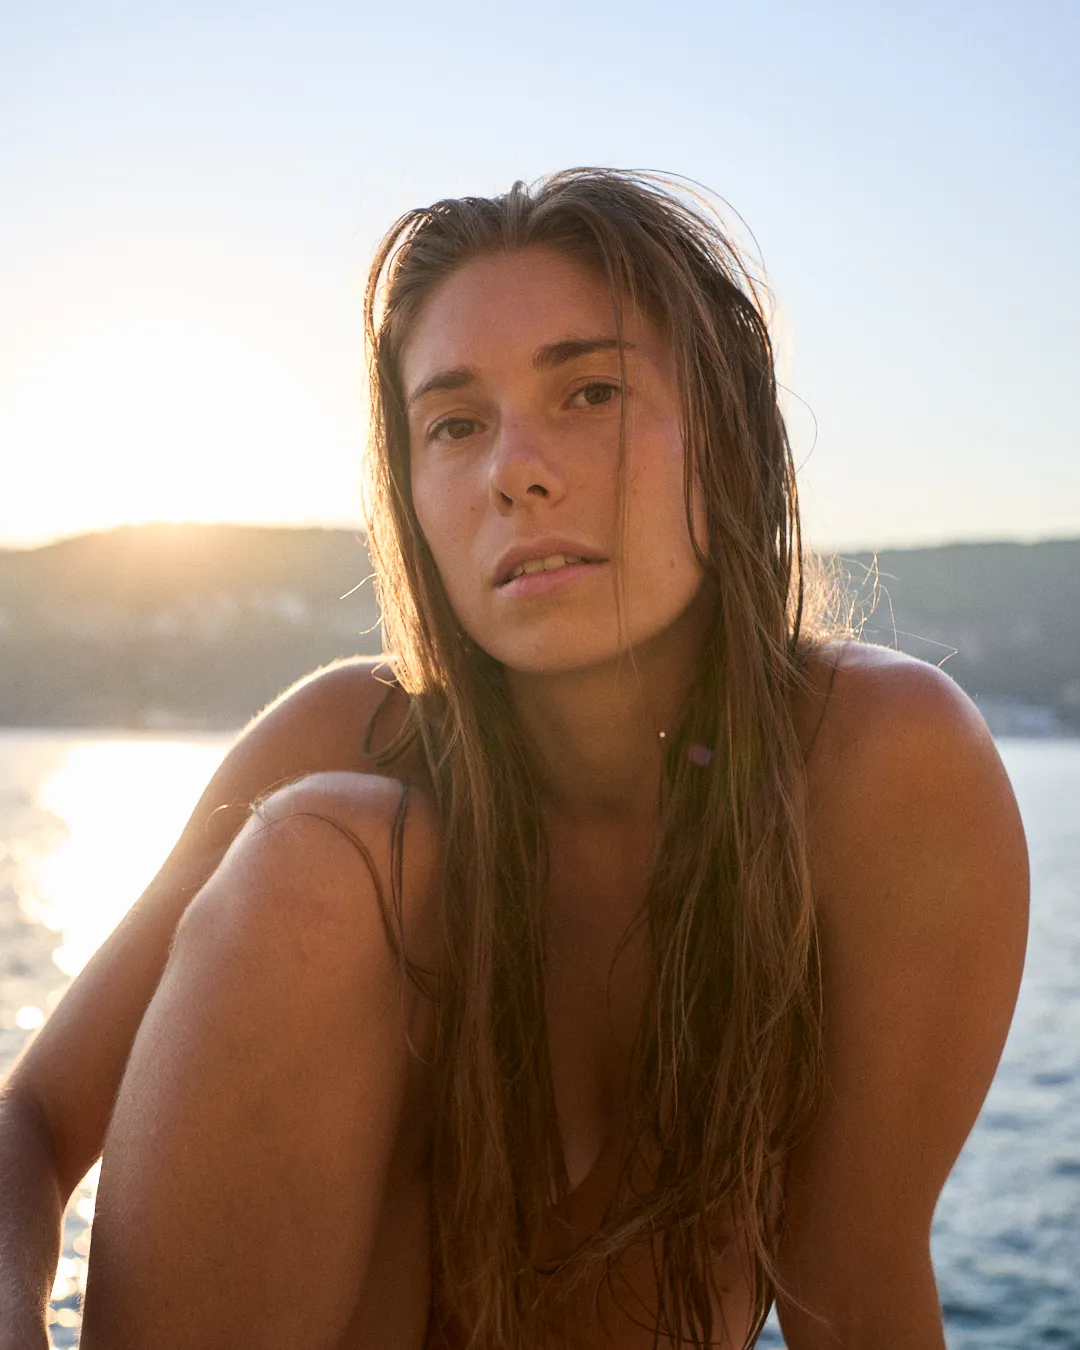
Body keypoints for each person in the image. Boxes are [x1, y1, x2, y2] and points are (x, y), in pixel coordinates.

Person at [0, 169, 1027, 1350]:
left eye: (591, 392)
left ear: (731, 436)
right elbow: (27, 1124)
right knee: (323, 857)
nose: (514, 471)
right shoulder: (346, 753)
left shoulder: (875, 766)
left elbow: (852, 1283)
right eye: (454, 424)